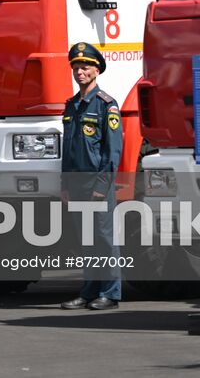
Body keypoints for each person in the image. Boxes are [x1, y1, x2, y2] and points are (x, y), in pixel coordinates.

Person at [59, 41, 123, 311]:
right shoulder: (72, 105)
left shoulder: (107, 105)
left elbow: (113, 151)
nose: (79, 71)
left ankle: (110, 293)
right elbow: (68, 149)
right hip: (75, 184)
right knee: (86, 240)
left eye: (85, 66)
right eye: (76, 67)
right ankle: (89, 291)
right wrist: (64, 183)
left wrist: (101, 185)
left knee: (105, 238)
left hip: (97, 184)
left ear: (96, 70)